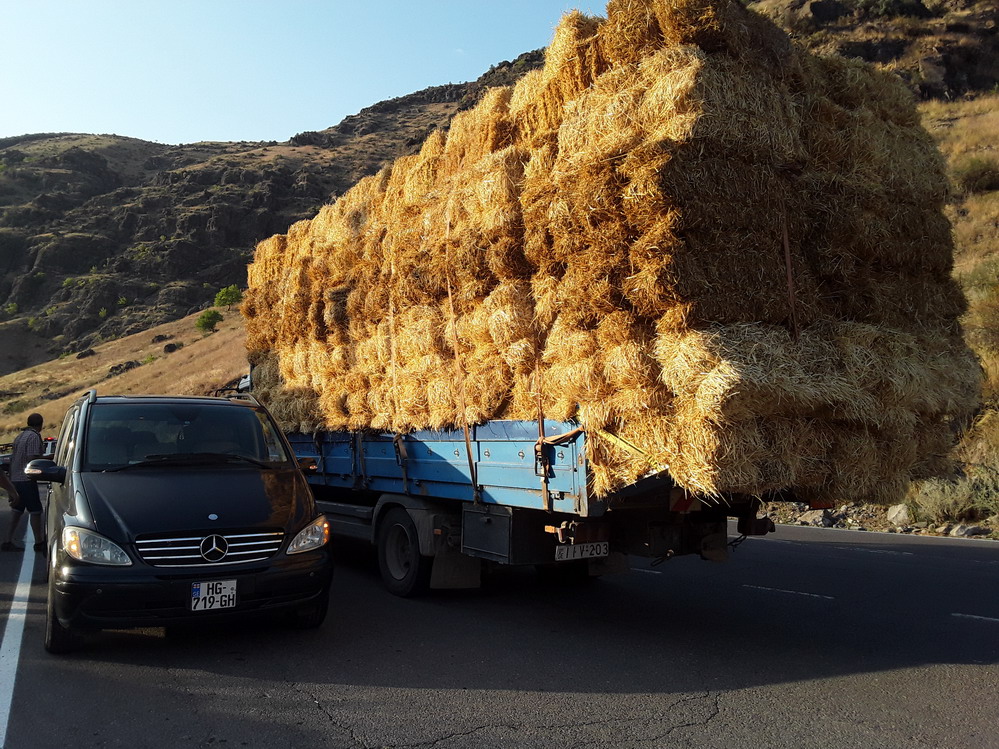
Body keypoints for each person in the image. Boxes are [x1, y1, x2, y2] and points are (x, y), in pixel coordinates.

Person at [4, 413, 45, 552]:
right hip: (27, 479)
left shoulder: (20, 436)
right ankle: (39, 542)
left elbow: (13, 458)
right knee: (35, 511)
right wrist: (47, 459)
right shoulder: (34, 436)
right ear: (41, 424)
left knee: (16, 510)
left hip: (15, 478)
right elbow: (31, 458)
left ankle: (8, 540)